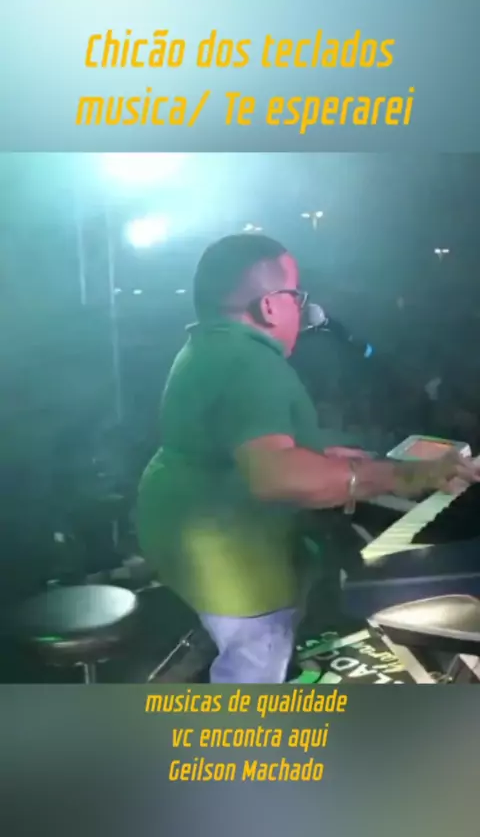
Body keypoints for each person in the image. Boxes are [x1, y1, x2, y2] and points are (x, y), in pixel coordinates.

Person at [136, 234, 480, 683]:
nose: (304, 309)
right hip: (233, 560)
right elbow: (277, 476)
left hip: (179, 535)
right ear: (269, 306)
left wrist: (319, 456)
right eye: (295, 296)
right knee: (256, 665)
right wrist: (405, 475)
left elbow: (237, 445)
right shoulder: (251, 364)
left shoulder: (209, 348)